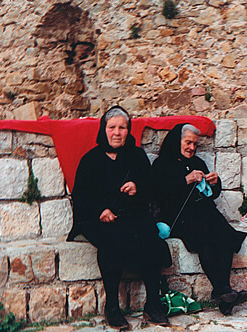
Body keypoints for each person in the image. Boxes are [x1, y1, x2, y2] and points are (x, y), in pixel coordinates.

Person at [67, 106, 172, 328]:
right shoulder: (91, 160)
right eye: (112, 127)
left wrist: (137, 187)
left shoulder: (136, 155)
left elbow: (152, 188)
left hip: (131, 213)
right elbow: (81, 195)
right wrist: (100, 211)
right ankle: (112, 307)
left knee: (150, 239)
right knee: (111, 242)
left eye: (122, 128)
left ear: (128, 130)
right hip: (96, 218)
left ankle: (153, 304)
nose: (117, 132)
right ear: (103, 130)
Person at [152, 123, 247, 315]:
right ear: (176, 141)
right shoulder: (162, 164)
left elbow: (211, 195)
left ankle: (224, 293)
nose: (192, 148)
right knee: (205, 238)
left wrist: (215, 183)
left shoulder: (197, 163)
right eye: (188, 143)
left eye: (195, 144)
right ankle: (224, 291)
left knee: (225, 236)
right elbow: (157, 193)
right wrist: (185, 180)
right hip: (179, 216)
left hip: (205, 212)